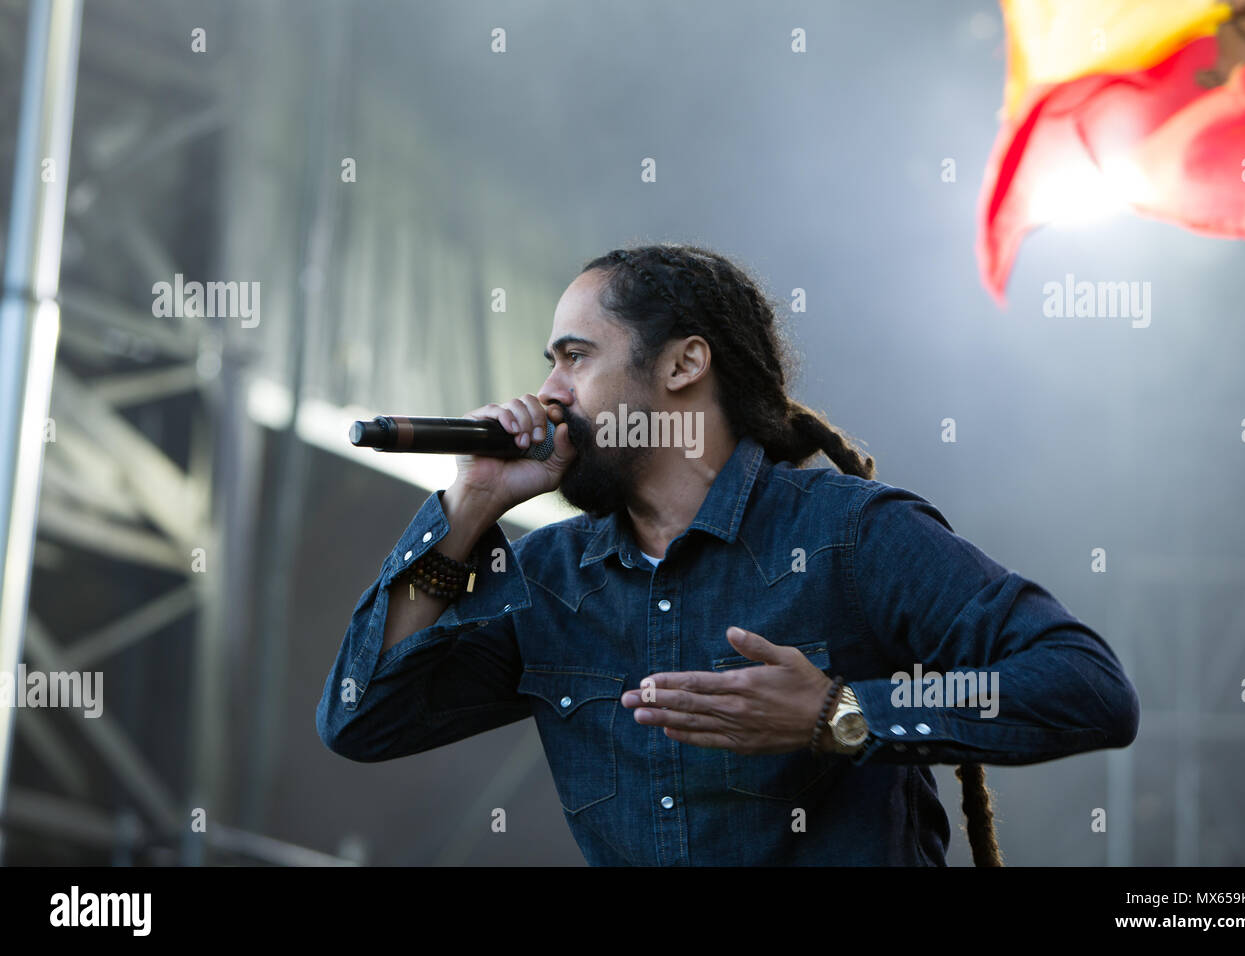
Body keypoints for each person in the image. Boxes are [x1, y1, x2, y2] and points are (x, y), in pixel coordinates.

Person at [316, 242, 1140, 865]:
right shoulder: (548, 578)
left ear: (683, 363)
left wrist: (842, 715)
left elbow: (1085, 685)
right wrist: (466, 510)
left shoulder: (850, 534)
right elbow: (362, 720)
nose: (549, 393)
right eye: (550, 365)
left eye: (575, 356)